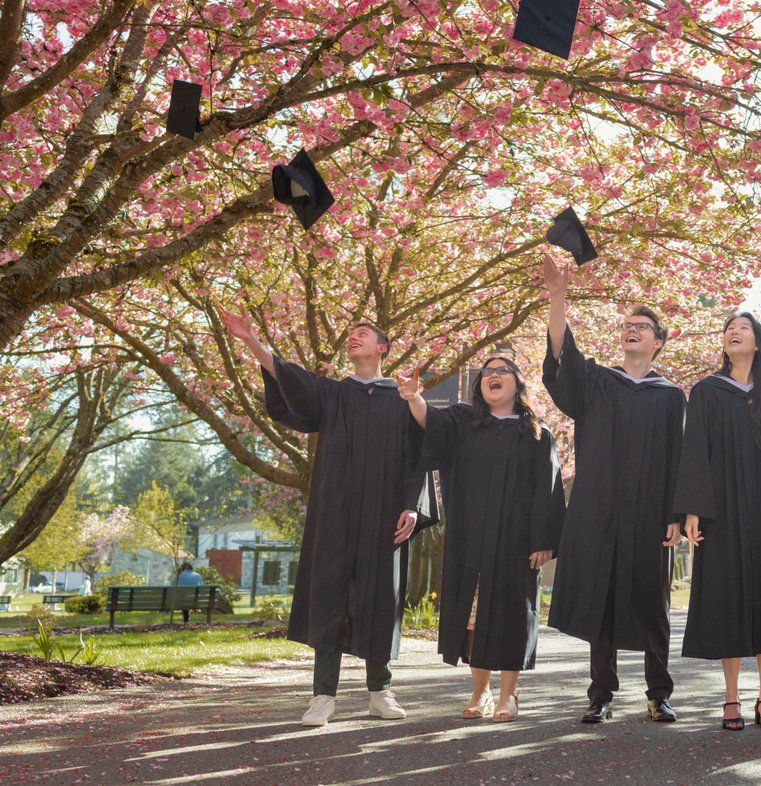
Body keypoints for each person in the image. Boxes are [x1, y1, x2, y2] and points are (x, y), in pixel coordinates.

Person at [218, 307, 437, 727]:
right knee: (331, 593)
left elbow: (421, 454)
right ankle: (323, 696)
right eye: (350, 334)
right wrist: (249, 340)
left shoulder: (403, 399)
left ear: (382, 347)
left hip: (385, 515)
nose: (353, 338)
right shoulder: (333, 394)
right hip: (335, 511)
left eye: (363, 333)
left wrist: (413, 505)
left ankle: (380, 691)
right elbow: (287, 375)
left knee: (380, 597)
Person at [541, 254, 686, 724]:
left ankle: (658, 692)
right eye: (628, 324)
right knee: (602, 597)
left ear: (658, 341)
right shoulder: (598, 382)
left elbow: (679, 460)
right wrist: (558, 295)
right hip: (600, 507)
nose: (633, 329)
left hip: (650, 512)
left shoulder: (670, 396)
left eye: (643, 325)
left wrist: (675, 514)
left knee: (652, 603)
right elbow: (563, 353)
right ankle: (601, 692)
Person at [398, 356, 565, 722]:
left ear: (518, 383)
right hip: (470, 534)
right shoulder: (463, 422)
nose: (493, 375)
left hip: (516, 540)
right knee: (473, 615)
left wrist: (542, 540)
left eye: (502, 370)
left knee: (511, 615)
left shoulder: (536, 434)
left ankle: (508, 695)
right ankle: (480, 691)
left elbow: (548, 489)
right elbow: (432, 423)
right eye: (487, 372)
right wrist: (414, 398)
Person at [676, 313, 761, 731]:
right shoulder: (707, 391)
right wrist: (691, 509)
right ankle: (730, 697)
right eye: (729, 329)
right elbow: (695, 451)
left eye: (743, 328)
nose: (734, 332)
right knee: (728, 599)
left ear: (758, 342)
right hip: (721, 511)